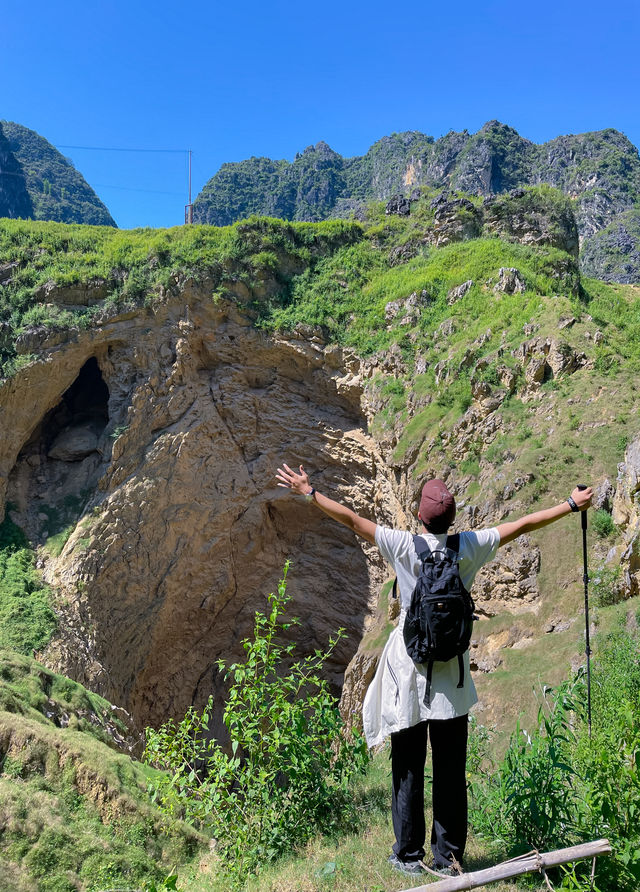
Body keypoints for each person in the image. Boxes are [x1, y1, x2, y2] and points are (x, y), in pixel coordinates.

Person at [275, 462, 592, 877]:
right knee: (449, 770)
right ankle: (448, 859)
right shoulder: (471, 546)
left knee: (407, 764)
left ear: (420, 516)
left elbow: (352, 520)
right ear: (453, 517)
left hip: (409, 672)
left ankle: (407, 856)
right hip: (452, 678)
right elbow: (523, 524)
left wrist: (309, 492)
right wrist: (570, 504)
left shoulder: (402, 545)